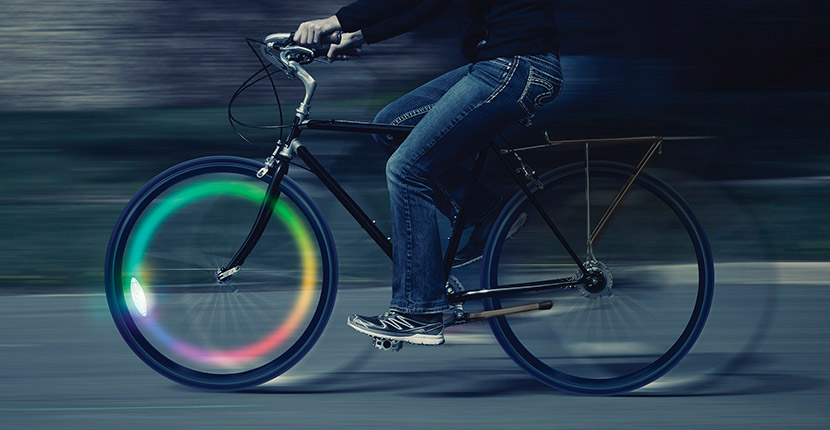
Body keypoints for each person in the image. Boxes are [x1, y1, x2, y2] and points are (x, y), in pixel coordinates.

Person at [292, 0, 563, 346]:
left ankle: (418, 311)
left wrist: (336, 22)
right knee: (390, 126)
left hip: (516, 66)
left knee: (406, 170)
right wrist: (359, 34)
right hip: (496, 64)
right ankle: (487, 214)